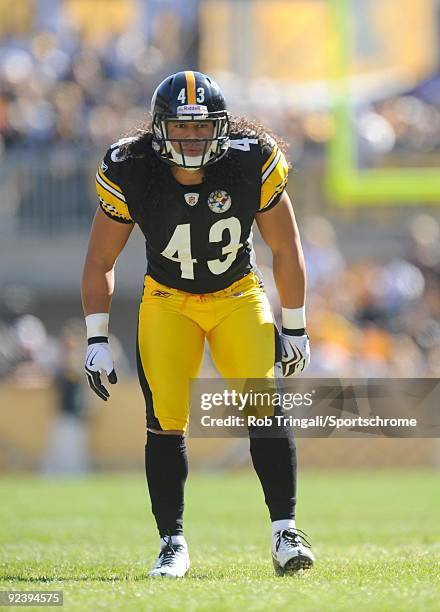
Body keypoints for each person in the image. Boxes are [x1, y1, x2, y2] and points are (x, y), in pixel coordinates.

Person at [81, 70, 314, 578]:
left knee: (263, 405)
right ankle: (172, 542)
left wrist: (294, 325)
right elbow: (100, 258)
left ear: (222, 127)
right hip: (168, 300)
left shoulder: (252, 159)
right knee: (165, 420)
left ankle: (285, 532)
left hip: (237, 295)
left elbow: (285, 247)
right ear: (158, 128)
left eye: (202, 127)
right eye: (181, 128)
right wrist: (96, 335)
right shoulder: (131, 166)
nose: (191, 138)